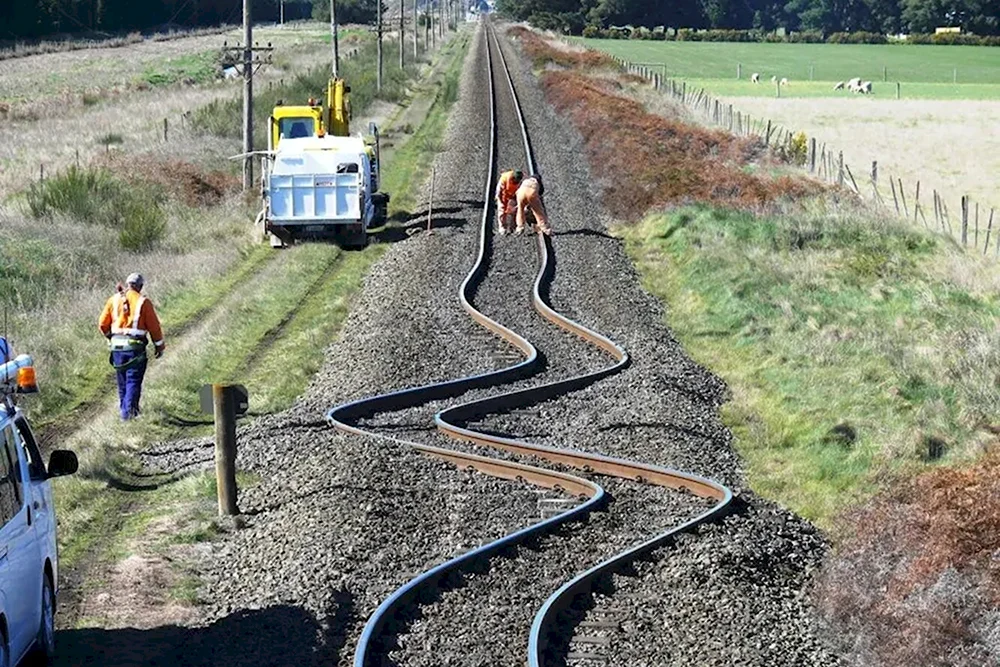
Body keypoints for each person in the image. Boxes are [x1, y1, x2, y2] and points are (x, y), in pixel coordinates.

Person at [98, 273, 165, 420]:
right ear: (140, 286)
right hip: (135, 349)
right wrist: (159, 346)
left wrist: (111, 337)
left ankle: (125, 412)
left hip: (116, 349)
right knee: (133, 381)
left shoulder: (113, 300)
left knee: (122, 382)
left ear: (128, 284)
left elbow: (102, 324)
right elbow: (154, 327)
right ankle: (129, 416)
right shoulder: (143, 302)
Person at [495, 169, 523, 235]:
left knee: (513, 211)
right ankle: (502, 227)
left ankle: (512, 227)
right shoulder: (504, 179)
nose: (517, 181)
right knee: (502, 211)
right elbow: (499, 191)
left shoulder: (520, 182)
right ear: (513, 178)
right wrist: (499, 200)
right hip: (503, 194)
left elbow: (519, 192)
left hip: (513, 195)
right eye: (516, 180)